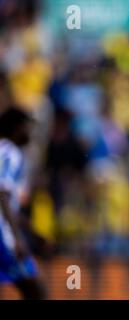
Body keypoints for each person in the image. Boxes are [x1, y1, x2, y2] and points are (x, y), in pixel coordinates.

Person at [0, 107, 46, 299]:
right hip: (3, 236)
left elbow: (9, 204)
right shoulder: (10, 153)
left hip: (5, 230)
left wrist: (33, 232)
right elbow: (2, 194)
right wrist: (18, 238)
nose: (30, 132)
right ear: (16, 128)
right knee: (35, 291)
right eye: (27, 127)